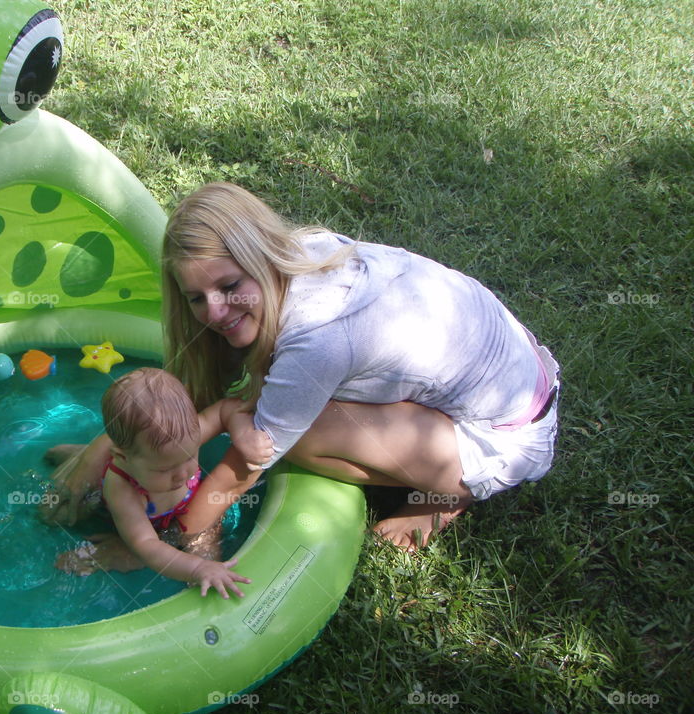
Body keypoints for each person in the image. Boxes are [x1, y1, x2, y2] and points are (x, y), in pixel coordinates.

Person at [160, 182, 560, 550]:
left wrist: (176, 538)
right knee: (280, 408)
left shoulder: (318, 336)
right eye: (196, 298)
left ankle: (449, 494)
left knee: (291, 438)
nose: (213, 312)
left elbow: (250, 461)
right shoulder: (302, 252)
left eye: (230, 287)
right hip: (509, 372)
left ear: (263, 258)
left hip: (504, 434)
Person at [43, 367, 271, 598]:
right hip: (141, 520)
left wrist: (244, 435)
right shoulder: (122, 489)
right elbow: (146, 545)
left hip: (177, 504)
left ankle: (82, 453)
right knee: (56, 515)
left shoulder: (179, 438)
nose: (183, 474)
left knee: (208, 547)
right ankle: (80, 456)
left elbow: (226, 409)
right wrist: (198, 568)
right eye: (166, 469)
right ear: (123, 459)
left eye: (190, 456)